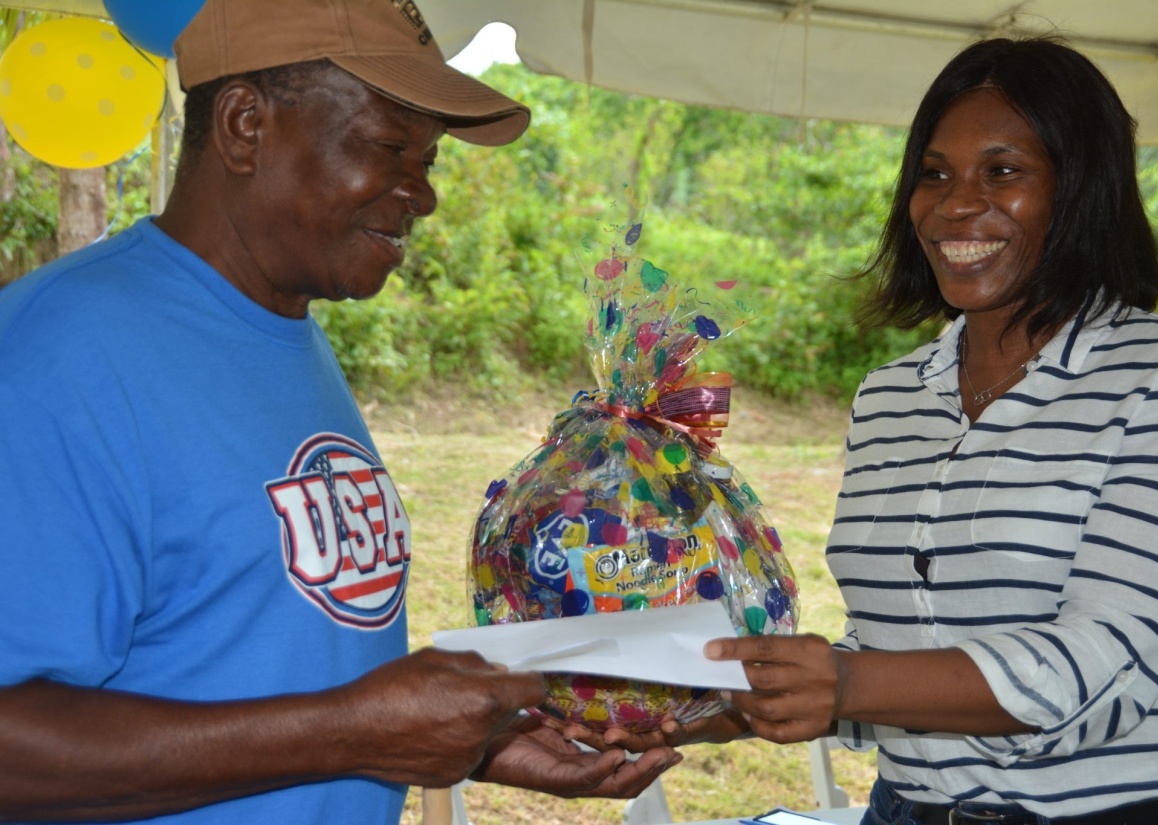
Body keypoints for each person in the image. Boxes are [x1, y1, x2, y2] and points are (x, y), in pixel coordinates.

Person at [0, 0, 679, 821]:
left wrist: (478, 738)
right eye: (390, 146)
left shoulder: (284, 329)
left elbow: (248, 653)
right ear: (246, 125)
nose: (422, 195)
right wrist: (353, 735)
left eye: (429, 159)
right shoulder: (56, 356)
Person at [575, 36, 1158, 824]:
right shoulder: (892, 397)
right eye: (933, 174)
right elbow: (894, 663)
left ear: (1082, 188)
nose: (954, 203)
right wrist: (715, 700)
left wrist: (844, 683)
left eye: (1003, 171)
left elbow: (1102, 662)